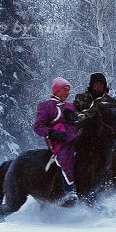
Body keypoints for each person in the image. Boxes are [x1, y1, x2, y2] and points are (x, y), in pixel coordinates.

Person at [33, 77, 80, 205]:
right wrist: (51, 132)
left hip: (76, 137)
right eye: (65, 90)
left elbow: (79, 123)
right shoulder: (46, 106)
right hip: (58, 141)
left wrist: (75, 118)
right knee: (66, 157)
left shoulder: (70, 106)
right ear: (57, 90)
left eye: (69, 90)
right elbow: (38, 126)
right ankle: (70, 190)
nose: (67, 93)